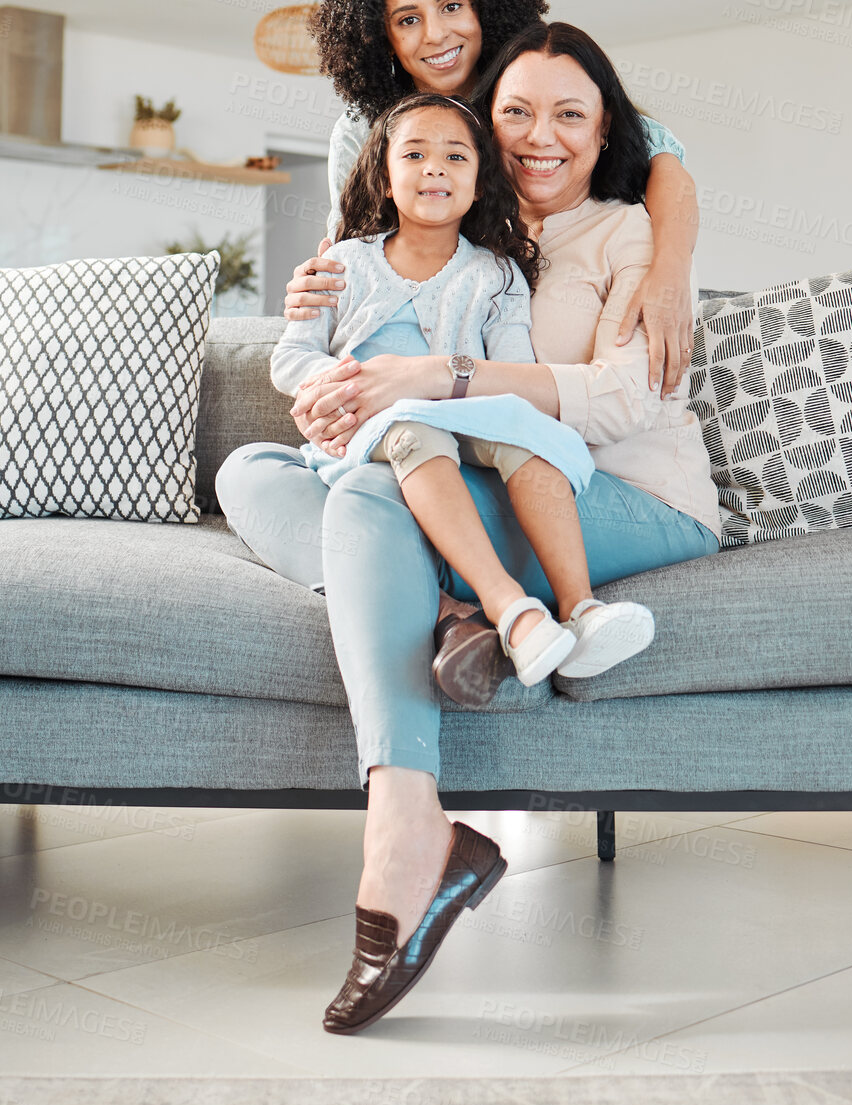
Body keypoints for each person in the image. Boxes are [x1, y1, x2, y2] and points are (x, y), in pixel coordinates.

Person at [215, 21, 720, 1036]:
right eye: (516, 114)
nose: (541, 136)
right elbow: (337, 334)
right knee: (258, 468)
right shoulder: (470, 243)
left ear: (603, 129)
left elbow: (621, 402)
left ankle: (404, 832)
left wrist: (424, 382)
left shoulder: (627, 235)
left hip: (621, 492)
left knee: (371, 494)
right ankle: (449, 606)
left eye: (570, 116)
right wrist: (329, 387)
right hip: (474, 476)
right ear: (485, 131)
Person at [272, 89, 658, 689]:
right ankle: (512, 612)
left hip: (466, 413)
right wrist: (337, 389)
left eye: (456, 157)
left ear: (480, 183)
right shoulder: (345, 263)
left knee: (524, 426)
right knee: (412, 425)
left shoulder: (496, 273)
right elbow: (291, 356)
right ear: (384, 175)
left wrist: (492, 410)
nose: (434, 168)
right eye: (416, 155)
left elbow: (509, 374)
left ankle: (581, 610)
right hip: (369, 427)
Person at [295, 0, 700, 397]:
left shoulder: (524, 86)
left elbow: (665, 164)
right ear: (380, 38)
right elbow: (355, 242)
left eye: (451, 6)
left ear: (484, 6)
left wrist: (670, 274)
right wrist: (316, 290)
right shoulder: (364, 131)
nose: (435, 34)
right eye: (407, 20)